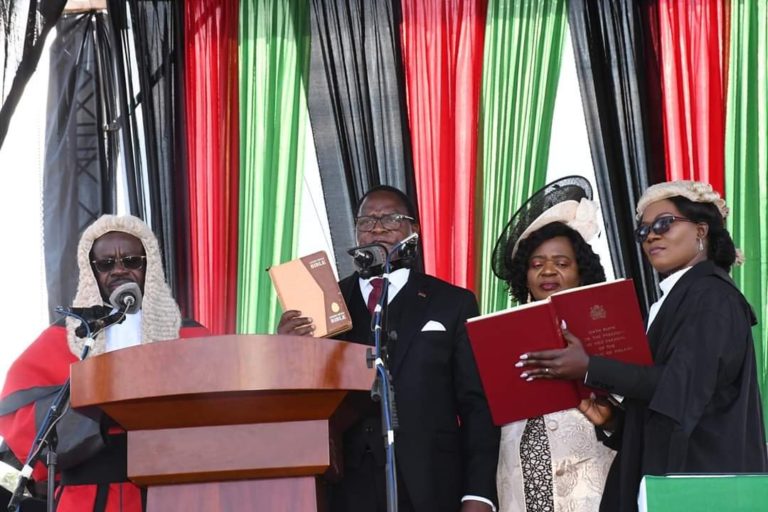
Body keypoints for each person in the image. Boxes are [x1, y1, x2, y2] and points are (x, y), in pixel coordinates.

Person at [518, 180, 768, 511]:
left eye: (664, 223)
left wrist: (591, 367)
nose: (651, 235)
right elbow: (671, 406)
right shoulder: (678, 298)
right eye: (643, 230)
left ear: (701, 231)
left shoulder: (712, 297)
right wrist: (614, 421)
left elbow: (680, 388)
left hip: (701, 489)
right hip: (671, 484)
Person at [278, 185, 500, 512]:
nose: (378, 228)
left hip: (433, 487)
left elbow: (477, 407)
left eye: (391, 219)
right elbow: (302, 403)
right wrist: (286, 353)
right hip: (346, 488)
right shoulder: (324, 304)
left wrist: (479, 494)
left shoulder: (452, 303)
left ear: (414, 230)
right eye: (367, 222)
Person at [0, 214, 208, 512]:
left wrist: (281, 346)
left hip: (173, 491)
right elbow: (18, 414)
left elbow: (234, 390)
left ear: (148, 266)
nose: (120, 270)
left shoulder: (187, 333)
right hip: (89, 493)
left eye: (132, 261)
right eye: (107, 264)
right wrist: (96, 407)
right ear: (92, 271)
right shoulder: (67, 335)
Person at [491, 176, 615, 511]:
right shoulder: (496, 335)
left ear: (580, 272)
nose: (548, 271)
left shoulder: (608, 327)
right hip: (517, 489)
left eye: (562, 263)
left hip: (591, 488)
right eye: (537, 264)